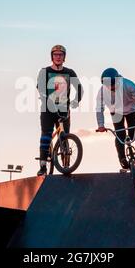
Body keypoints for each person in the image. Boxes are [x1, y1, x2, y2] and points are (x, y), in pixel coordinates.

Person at [36, 44, 84, 176]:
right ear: (52, 57)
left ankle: (66, 164)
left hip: (63, 109)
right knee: (46, 135)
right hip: (48, 108)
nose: (58, 57)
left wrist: (75, 101)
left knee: (64, 136)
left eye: (60, 55)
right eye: (55, 55)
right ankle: (43, 166)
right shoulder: (44, 71)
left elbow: (80, 88)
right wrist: (46, 98)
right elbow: (40, 88)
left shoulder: (69, 72)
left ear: (64, 58)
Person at [96, 68, 135, 171]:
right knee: (120, 135)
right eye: (108, 86)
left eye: (112, 85)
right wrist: (100, 125)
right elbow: (99, 108)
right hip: (116, 112)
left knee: (132, 133)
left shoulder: (127, 84)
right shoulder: (102, 91)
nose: (111, 87)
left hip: (130, 110)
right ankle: (122, 158)